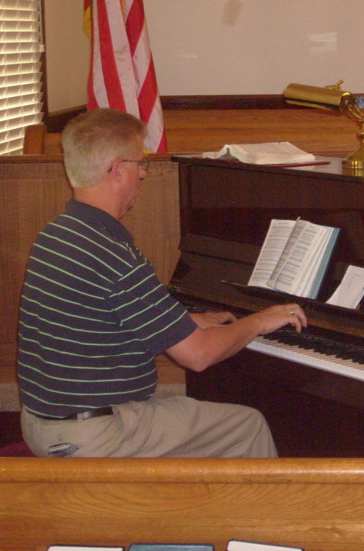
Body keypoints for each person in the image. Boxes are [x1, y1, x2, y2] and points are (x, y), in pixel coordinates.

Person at [17, 108, 307, 458]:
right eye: (140, 163)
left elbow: (93, 324)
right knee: (246, 425)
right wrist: (261, 320)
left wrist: (182, 324)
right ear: (117, 169)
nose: (143, 172)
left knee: (188, 412)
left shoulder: (57, 234)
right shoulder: (111, 252)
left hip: (40, 422)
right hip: (92, 435)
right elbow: (199, 356)